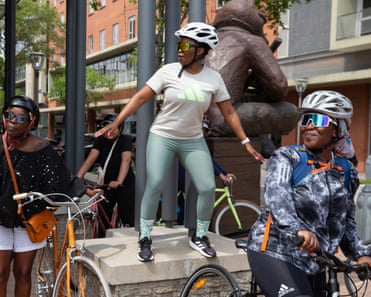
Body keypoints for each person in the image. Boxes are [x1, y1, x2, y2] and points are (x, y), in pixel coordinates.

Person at [95, 22, 264, 262]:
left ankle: (200, 236)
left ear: (202, 51)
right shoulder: (168, 71)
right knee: (155, 183)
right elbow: (141, 96)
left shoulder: (213, 79)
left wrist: (245, 141)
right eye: (179, 44)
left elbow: (229, 113)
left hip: (193, 141)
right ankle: (145, 237)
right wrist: (118, 122)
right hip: (162, 136)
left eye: (186, 45)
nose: (180, 49)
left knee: (206, 187)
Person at [247, 90, 371, 297]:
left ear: (338, 129)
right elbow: (277, 197)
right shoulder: (287, 157)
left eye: (317, 119)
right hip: (274, 250)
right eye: (306, 119)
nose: (308, 125)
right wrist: (297, 230)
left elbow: (344, 222)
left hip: (316, 259)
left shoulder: (345, 170)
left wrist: (360, 254)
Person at [0, 95, 98, 297]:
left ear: (31, 122)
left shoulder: (43, 149)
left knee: (23, 273)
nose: (12, 121)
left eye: (20, 118)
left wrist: (85, 189)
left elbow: (63, 178)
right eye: (9, 115)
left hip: (30, 220)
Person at [76, 113, 136, 235]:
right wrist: (78, 178)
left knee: (127, 215)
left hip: (124, 183)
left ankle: (131, 239)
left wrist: (119, 181)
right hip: (106, 184)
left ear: (120, 128)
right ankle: (102, 240)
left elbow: (126, 160)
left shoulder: (124, 140)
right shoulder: (100, 141)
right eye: (106, 128)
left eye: (112, 128)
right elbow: (90, 160)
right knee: (103, 217)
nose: (109, 131)